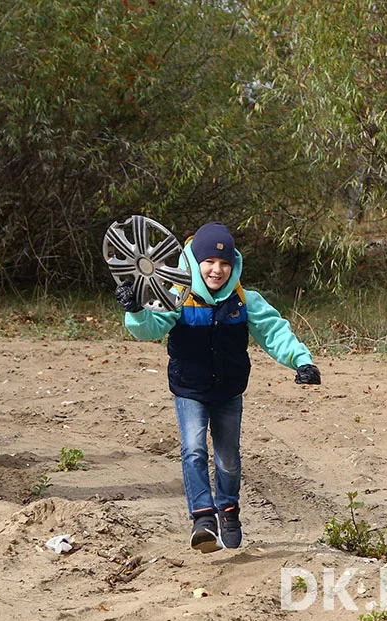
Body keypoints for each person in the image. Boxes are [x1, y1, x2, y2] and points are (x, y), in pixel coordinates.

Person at [115, 221, 321, 553]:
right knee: (194, 451)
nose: (217, 269)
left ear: (234, 264)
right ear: (195, 262)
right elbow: (149, 329)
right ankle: (203, 519)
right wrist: (135, 310)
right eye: (209, 261)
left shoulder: (244, 300)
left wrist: (301, 361)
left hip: (228, 391)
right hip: (189, 390)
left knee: (228, 459)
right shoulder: (177, 297)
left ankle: (228, 510)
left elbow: (274, 332)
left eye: (225, 263)